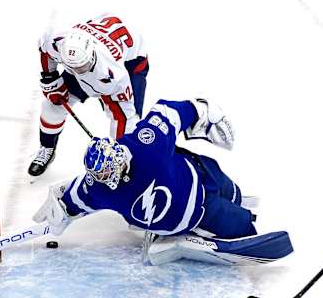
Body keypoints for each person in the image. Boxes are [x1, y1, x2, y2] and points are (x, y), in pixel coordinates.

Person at [33, 98, 293, 265]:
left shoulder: (147, 145)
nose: (104, 180)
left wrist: (204, 112)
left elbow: (168, 112)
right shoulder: (98, 186)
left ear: (119, 160)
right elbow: (78, 195)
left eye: (105, 173)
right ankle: (166, 232)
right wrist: (62, 208)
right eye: (98, 176)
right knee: (244, 225)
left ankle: (230, 198)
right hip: (201, 215)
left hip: (202, 182)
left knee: (233, 194)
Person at [28, 13, 149, 176]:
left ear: (91, 55)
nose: (78, 72)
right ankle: (47, 147)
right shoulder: (58, 41)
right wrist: (50, 78)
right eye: (74, 68)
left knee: (131, 122)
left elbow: (123, 117)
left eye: (82, 67)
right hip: (99, 42)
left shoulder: (113, 75)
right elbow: (45, 50)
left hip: (132, 61)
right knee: (51, 108)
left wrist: (117, 157)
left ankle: (126, 161)